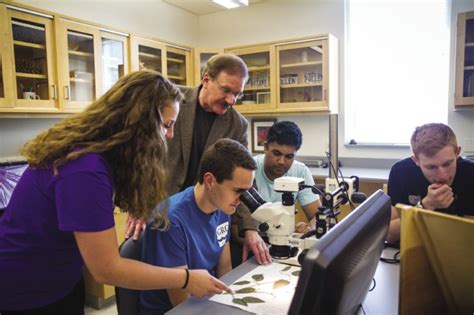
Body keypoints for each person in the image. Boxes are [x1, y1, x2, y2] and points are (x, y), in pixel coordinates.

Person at [0, 71, 230, 314]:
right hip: (25, 288)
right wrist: (185, 278)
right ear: (140, 124)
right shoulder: (84, 169)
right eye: (166, 125)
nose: (170, 135)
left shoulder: (99, 158)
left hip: (62, 280)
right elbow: (107, 269)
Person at [125, 53, 272, 265]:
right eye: (226, 90)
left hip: (201, 215)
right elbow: (140, 153)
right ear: (206, 80)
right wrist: (136, 202)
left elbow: (244, 179)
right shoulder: (171, 100)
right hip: (158, 210)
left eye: (237, 94)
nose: (231, 100)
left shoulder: (237, 125)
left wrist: (250, 228)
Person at [139, 139, 257, 315]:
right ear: (210, 181)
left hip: (206, 300)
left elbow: (224, 270)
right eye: (238, 191)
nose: (242, 200)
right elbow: (181, 302)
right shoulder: (170, 220)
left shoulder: (223, 207)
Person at [231, 121, 321, 266]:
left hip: (285, 245)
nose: (281, 161)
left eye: (289, 157)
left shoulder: (300, 172)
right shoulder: (248, 171)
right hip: (251, 245)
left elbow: (317, 216)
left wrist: (308, 231)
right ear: (265, 147)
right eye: (276, 153)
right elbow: (235, 227)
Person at [386, 123, 474, 243]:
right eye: (431, 167)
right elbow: (389, 234)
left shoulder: (470, 174)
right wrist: (426, 205)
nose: (442, 175)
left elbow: (469, 236)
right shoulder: (401, 172)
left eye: (447, 164)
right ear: (416, 160)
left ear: (457, 152)